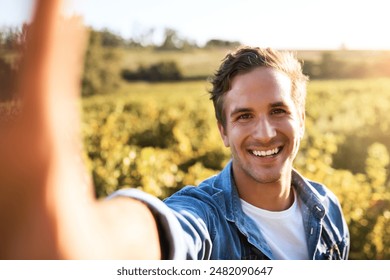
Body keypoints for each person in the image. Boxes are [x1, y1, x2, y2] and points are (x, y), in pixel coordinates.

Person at [0, 0, 349, 260]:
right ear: (223, 131)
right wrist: (93, 242)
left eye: (278, 111)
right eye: (244, 116)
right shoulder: (205, 218)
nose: (265, 132)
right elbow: (167, 232)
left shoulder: (328, 209)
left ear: (300, 118)